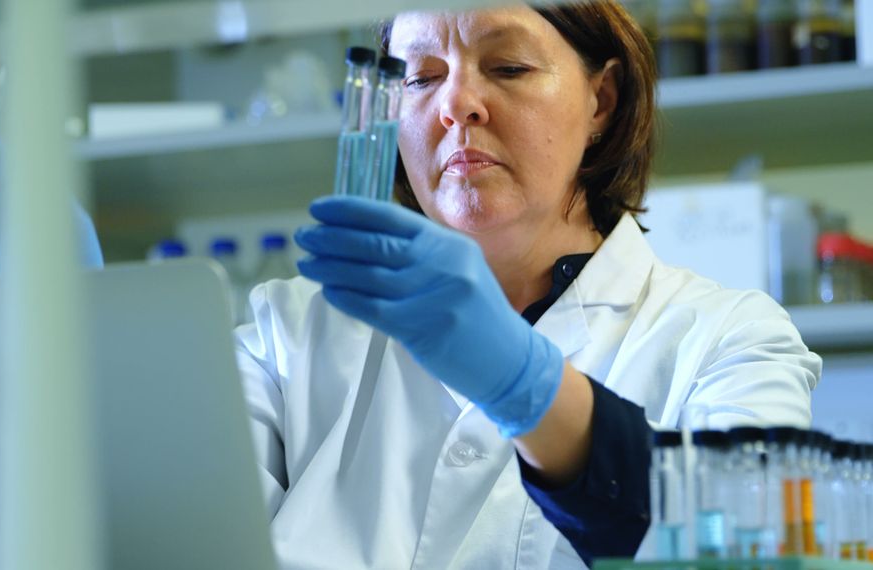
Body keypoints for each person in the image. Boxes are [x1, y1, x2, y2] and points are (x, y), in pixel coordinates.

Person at [235, 2, 820, 568]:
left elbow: (749, 547)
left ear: (602, 103)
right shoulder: (284, 334)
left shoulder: (729, 340)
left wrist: (522, 382)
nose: (456, 104)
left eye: (508, 67)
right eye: (421, 78)